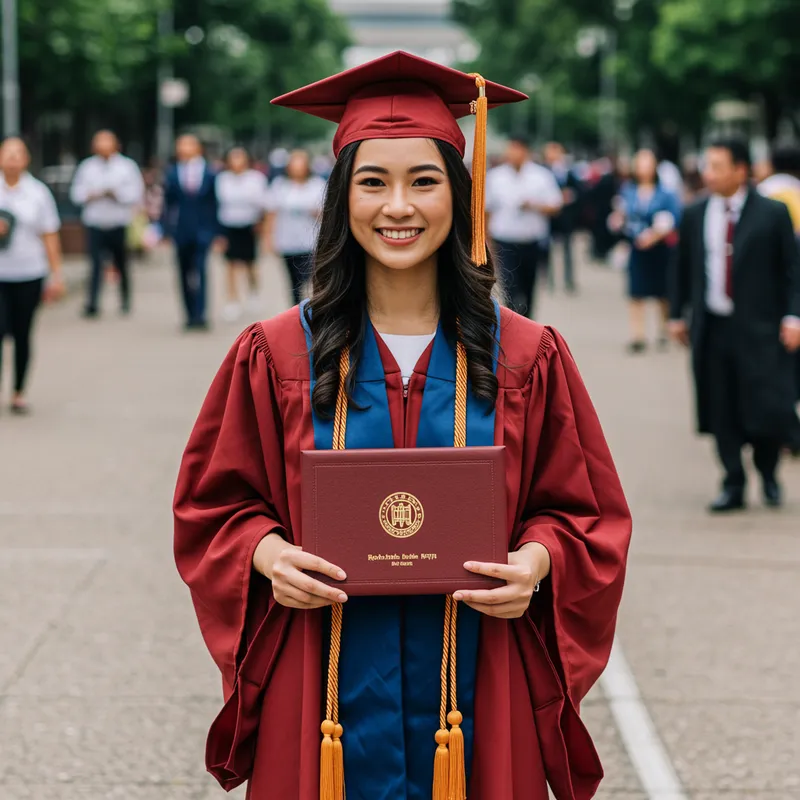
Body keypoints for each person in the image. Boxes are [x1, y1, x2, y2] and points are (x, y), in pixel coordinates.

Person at [173, 51, 631, 800]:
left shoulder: (525, 355)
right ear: (339, 200)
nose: (398, 207)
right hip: (321, 681)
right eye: (372, 182)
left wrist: (538, 565)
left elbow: (585, 513)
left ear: (460, 194)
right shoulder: (275, 353)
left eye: (423, 181)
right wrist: (266, 555)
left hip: (480, 678)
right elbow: (212, 506)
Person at [669, 138, 800, 512]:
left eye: (717, 166)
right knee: (720, 405)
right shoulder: (695, 213)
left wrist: (794, 316)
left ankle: (769, 473)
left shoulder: (772, 213)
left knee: (765, 407)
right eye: (707, 166)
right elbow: (682, 267)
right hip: (713, 328)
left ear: (740, 170)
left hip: (762, 330)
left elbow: (792, 270)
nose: (708, 174)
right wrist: (678, 314)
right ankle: (732, 481)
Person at [0, 137, 65, 414]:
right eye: (7, 152)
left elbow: (50, 235)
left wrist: (56, 275)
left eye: (18, 153)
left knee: (23, 334)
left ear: (26, 159)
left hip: (28, 273)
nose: (13, 158)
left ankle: (18, 391)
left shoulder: (38, 193)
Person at [609, 149, 681, 353]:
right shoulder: (628, 190)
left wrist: (654, 236)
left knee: (662, 292)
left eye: (647, 163)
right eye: (640, 163)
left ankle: (663, 329)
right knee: (636, 292)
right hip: (636, 246)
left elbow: (673, 218)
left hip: (660, 248)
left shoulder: (666, 193)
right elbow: (622, 213)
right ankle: (637, 335)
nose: (643, 168)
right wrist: (618, 220)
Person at [69, 130, 145, 317]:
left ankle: (125, 300)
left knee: (121, 263)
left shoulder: (126, 166)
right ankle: (93, 302)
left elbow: (136, 193)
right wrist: (91, 195)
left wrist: (116, 195)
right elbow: (76, 194)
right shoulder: (87, 167)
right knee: (95, 264)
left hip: (118, 222)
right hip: (95, 223)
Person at [485, 136, 562, 318]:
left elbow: (555, 205)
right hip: (505, 241)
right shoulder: (496, 177)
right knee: (510, 287)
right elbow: (487, 209)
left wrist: (535, 205)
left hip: (531, 241)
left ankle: (528, 323)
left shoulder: (541, 176)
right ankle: (513, 323)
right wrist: (486, 241)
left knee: (529, 286)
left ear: (526, 151)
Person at [162, 134, 219, 330]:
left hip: (203, 230)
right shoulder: (172, 172)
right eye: (181, 144)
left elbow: (214, 203)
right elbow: (168, 204)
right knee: (183, 272)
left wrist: (217, 232)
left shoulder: (210, 172)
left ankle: (201, 314)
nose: (184, 148)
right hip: (181, 230)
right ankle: (188, 314)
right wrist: (165, 230)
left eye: (188, 144)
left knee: (201, 271)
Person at [263, 149, 326, 305]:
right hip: (287, 240)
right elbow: (271, 213)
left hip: (310, 241)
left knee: (310, 279)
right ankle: (296, 311)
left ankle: (313, 308)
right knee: (293, 281)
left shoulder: (317, 185)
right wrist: (268, 238)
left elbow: (327, 214)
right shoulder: (280, 186)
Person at [215, 146, 269, 322]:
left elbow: (263, 204)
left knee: (250, 263)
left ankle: (253, 292)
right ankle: (232, 300)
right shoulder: (222, 179)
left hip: (249, 225)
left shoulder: (256, 179)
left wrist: (262, 225)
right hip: (229, 225)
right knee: (231, 264)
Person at [543, 141, 582, 294]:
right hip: (549, 217)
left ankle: (569, 280)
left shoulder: (568, 171)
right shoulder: (543, 171)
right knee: (548, 250)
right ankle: (549, 280)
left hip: (565, 216)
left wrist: (569, 197)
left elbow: (579, 191)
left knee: (567, 249)